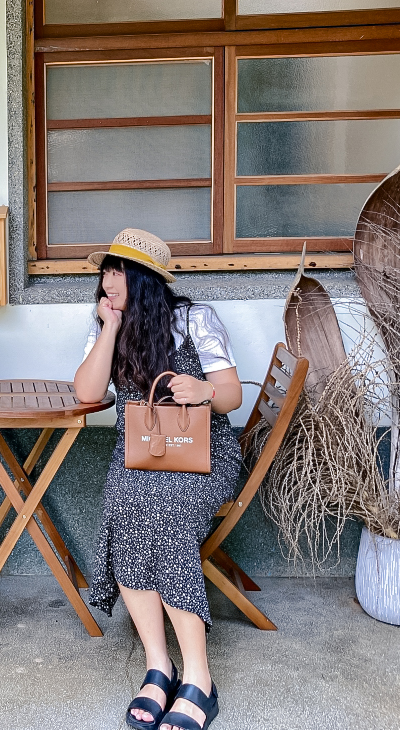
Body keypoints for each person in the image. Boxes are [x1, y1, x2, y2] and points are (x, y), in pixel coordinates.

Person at [73, 228, 243, 730]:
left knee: (166, 513)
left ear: (145, 280)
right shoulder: (109, 323)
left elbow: (232, 395)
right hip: (141, 456)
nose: (107, 281)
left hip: (205, 455)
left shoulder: (194, 321)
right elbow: (86, 392)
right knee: (123, 507)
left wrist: (203, 390)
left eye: (117, 271)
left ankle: (200, 678)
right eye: (105, 271)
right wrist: (109, 327)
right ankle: (158, 664)